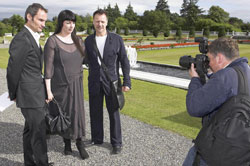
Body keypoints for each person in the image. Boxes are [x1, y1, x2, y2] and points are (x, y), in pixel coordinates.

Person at [183, 37, 250, 165]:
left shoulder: (225, 77)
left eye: (209, 59)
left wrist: (195, 79)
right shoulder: (244, 71)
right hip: (240, 153)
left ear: (219, 58)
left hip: (215, 153)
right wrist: (210, 74)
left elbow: (194, 107)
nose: (208, 63)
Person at [6, 3, 54, 166]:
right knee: (39, 133)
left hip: (34, 93)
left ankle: (30, 163)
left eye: (45, 21)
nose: (43, 24)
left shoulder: (31, 36)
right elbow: (13, 70)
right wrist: (13, 93)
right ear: (29, 17)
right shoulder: (22, 39)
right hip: (29, 94)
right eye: (40, 20)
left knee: (30, 131)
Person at [44, 10, 89, 160]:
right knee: (64, 114)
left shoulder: (78, 40)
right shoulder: (53, 41)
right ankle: (67, 143)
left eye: (73, 22)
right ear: (61, 23)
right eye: (68, 22)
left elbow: (85, 61)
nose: (71, 25)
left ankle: (80, 143)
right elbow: (48, 68)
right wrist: (48, 90)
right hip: (60, 85)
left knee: (78, 113)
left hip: (76, 84)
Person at [85, 9, 131, 154]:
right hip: (94, 81)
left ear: (107, 22)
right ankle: (97, 139)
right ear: (93, 22)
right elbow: (85, 60)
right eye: (97, 21)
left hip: (112, 82)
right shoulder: (88, 40)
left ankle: (116, 143)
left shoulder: (117, 39)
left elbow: (124, 61)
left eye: (102, 21)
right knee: (95, 111)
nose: (100, 24)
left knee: (114, 113)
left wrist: (127, 82)